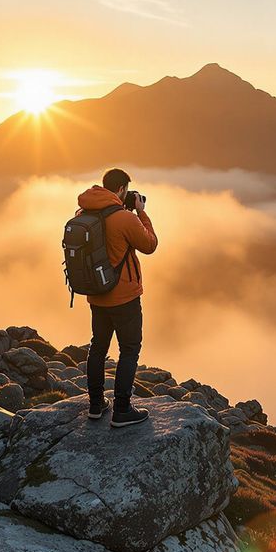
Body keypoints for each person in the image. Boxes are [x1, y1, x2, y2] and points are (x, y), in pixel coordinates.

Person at [77, 168, 158, 427]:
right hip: (124, 297)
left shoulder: (83, 213)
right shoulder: (125, 218)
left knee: (98, 347)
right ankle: (122, 409)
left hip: (97, 295)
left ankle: (96, 404)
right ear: (122, 189)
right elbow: (149, 245)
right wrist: (141, 212)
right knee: (129, 349)